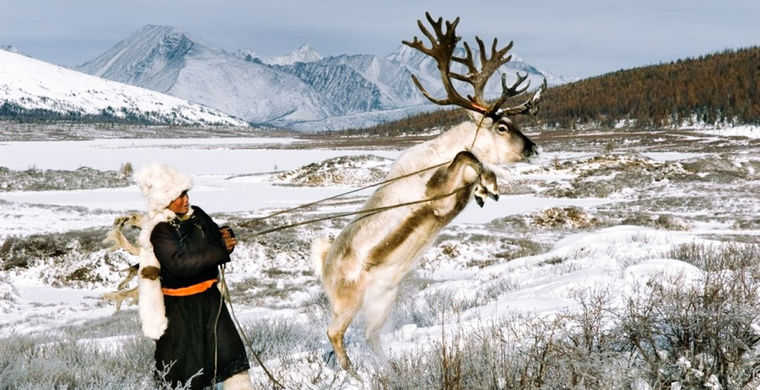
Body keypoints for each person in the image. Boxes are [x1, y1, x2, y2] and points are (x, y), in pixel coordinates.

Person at [134, 163, 253, 390]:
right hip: (180, 310)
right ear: (163, 200)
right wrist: (220, 250)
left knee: (230, 359)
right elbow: (180, 264)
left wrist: (223, 237)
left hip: (209, 300)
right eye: (178, 196)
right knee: (187, 372)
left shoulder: (197, 215)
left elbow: (210, 238)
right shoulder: (159, 231)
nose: (185, 199)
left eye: (185, 193)